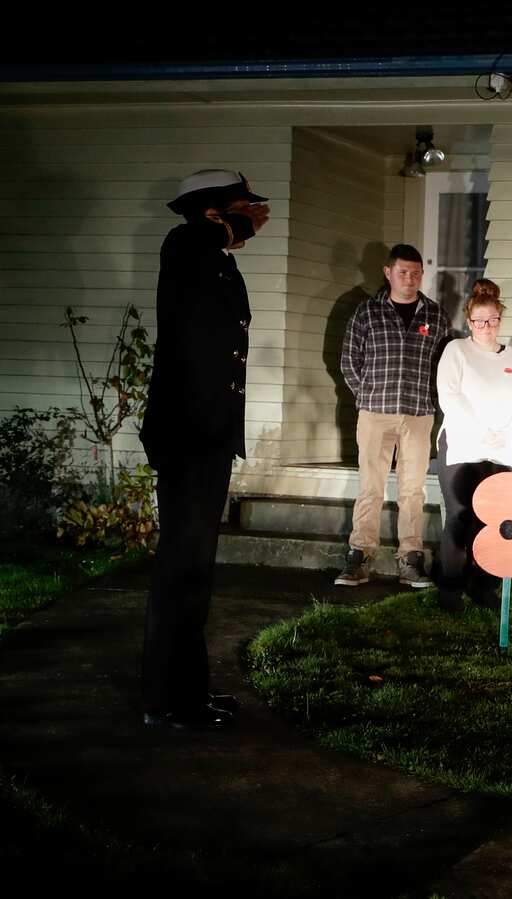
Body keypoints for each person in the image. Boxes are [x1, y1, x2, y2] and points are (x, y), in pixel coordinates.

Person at [139, 169, 270, 729]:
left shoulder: (215, 258)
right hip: (188, 435)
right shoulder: (187, 243)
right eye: (242, 207)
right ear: (214, 210)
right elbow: (197, 239)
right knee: (181, 570)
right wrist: (233, 225)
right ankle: (164, 702)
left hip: (209, 436)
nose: (255, 216)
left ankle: (188, 694)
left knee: (197, 572)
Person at [336, 245, 451, 588]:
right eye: (403, 272)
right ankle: (359, 557)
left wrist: (433, 399)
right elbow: (348, 361)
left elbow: (445, 364)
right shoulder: (367, 312)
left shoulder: (435, 315)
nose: (410, 279)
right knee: (370, 486)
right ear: (388, 273)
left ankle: (411, 560)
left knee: (412, 489)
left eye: (416, 273)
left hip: (418, 414)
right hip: (375, 412)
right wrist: (366, 395)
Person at [434, 280, 512, 611]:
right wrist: (481, 430)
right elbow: (450, 396)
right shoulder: (456, 351)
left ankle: (483, 586)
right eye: (479, 322)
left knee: (495, 519)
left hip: (500, 451)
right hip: (463, 447)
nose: (487, 327)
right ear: (469, 322)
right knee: (460, 516)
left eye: (493, 321)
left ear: (500, 320)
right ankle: (450, 589)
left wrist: (504, 432)